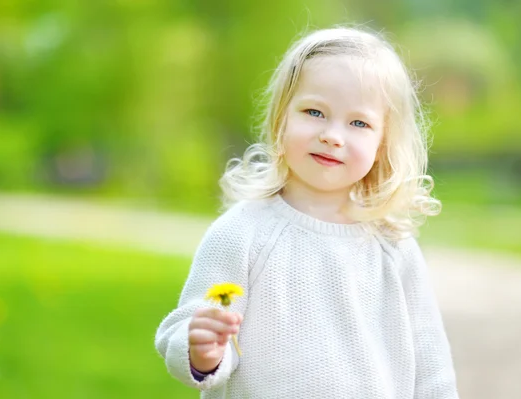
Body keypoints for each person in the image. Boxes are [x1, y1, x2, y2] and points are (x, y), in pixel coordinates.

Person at [155, 26, 459, 399]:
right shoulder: (241, 233)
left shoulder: (393, 247)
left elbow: (431, 364)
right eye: (315, 112)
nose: (333, 135)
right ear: (282, 118)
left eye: (359, 123)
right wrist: (201, 350)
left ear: (382, 144)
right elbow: (193, 327)